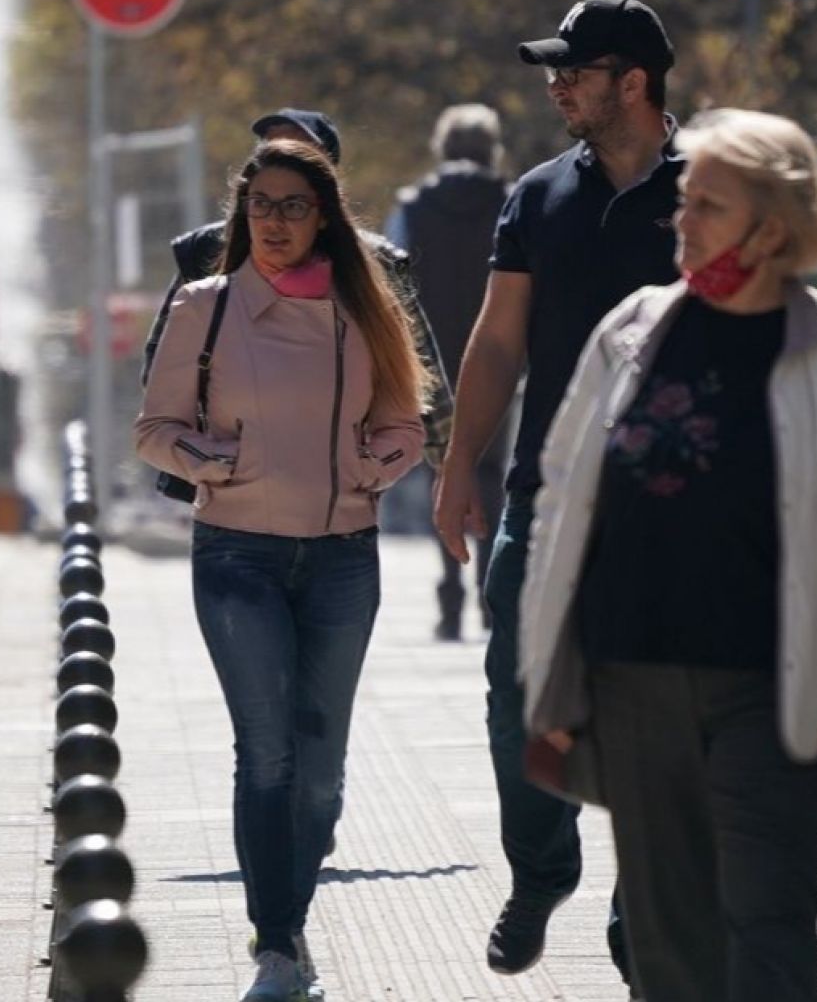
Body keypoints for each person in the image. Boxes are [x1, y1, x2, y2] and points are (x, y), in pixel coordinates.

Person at [522, 108, 817, 1002]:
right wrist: (548, 676)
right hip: (632, 680)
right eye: (684, 201)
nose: (683, 221)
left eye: (708, 205)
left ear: (773, 227)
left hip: (774, 688)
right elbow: (562, 498)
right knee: (667, 941)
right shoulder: (633, 326)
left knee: (767, 920)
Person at [134, 139, 429, 1002]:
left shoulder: (365, 306)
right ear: (241, 214)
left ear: (325, 216)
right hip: (236, 552)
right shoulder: (205, 306)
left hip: (342, 556)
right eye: (260, 206)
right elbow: (153, 428)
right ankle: (278, 943)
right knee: (266, 754)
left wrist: (378, 465)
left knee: (322, 766)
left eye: (293, 206)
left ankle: (288, 917)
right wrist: (209, 460)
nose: (274, 223)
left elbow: (408, 419)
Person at [432, 0, 682, 987]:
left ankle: (643, 907)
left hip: (675, 506)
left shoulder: (714, 188)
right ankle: (541, 870)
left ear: (634, 82)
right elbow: (499, 341)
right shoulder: (536, 196)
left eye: (574, 70)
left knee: (661, 712)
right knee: (519, 695)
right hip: (547, 493)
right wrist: (458, 469)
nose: (555, 84)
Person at [142, 107, 453, 469]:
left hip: (333, 497)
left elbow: (419, 381)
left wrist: (443, 465)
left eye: (301, 156)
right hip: (223, 491)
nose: (284, 165)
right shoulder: (203, 255)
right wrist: (214, 458)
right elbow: (160, 373)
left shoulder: (376, 266)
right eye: (270, 153)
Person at [389, 104, 512, 641]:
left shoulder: (413, 208)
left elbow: (392, 287)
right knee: (492, 475)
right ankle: (490, 595)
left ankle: (448, 597)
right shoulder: (514, 203)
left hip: (430, 360)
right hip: (500, 357)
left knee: (444, 470)